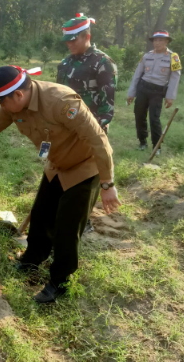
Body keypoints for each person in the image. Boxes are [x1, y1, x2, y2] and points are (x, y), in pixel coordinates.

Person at [0, 66, 121, 303]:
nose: (2, 108)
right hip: (56, 165)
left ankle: (60, 282)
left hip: (84, 167)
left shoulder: (61, 101)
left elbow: (99, 140)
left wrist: (107, 184)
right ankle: (31, 260)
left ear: (18, 95)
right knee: (41, 216)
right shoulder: (13, 107)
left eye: (3, 102)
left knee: (67, 228)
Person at [57, 13, 117, 233]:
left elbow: (107, 101)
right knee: (64, 170)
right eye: (67, 40)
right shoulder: (64, 64)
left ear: (87, 36)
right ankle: (63, 209)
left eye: (74, 39)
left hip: (91, 129)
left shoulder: (102, 63)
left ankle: (85, 218)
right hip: (66, 128)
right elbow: (57, 96)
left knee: (86, 176)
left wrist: (99, 130)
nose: (70, 44)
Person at [127, 31, 181, 155]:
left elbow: (175, 77)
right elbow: (137, 75)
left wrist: (170, 97)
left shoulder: (173, 57)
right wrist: (131, 93)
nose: (157, 43)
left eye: (161, 40)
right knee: (139, 114)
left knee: (154, 118)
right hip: (143, 88)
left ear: (166, 41)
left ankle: (157, 146)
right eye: (155, 40)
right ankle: (142, 141)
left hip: (157, 91)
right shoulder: (147, 56)